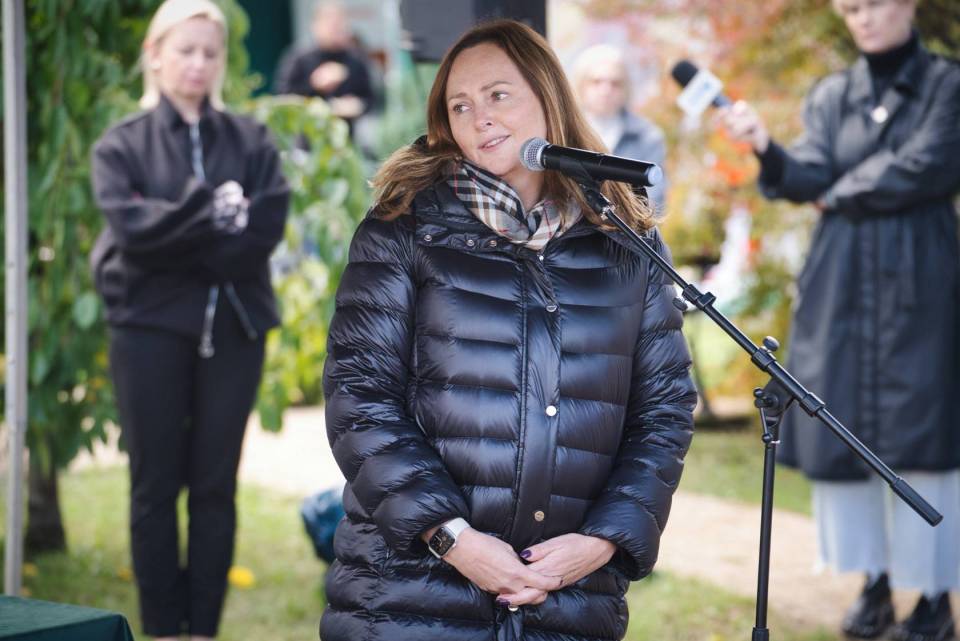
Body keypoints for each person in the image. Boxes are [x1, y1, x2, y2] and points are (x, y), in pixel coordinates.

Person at [319, 19, 696, 641]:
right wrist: (453, 539)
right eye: (460, 106)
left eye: (498, 94)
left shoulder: (627, 242)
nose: (480, 118)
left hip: (569, 602)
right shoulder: (402, 229)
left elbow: (665, 409)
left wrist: (603, 541)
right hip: (408, 594)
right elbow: (359, 398)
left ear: (549, 96)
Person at [718, 1, 960, 640]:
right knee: (842, 424)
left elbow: (928, 163)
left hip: (922, 275)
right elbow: (807, 173)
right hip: (840, 280)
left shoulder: (948, 84)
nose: (862, 18)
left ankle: (934, 594)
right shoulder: (832, 94)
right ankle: (872, 581)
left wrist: (838, 191)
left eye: (873, 3)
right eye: (850, 8)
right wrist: (766, 146)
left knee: (926, 432)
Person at [89, 1, 289, 638]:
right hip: (147, 333)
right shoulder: (121, 146)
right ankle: (161, 629)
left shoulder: (251, 141)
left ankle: (202, 629)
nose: (199, 63)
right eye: (185, 50)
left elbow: (265, 225)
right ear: (155, 55)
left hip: (234, 332)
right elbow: (131, 231)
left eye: (210, 52)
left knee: (214, 487)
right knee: (152, 486)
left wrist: (174, 230)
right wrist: (213, 213)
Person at [571, 43, 669, 213]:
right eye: (596, 81)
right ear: (581, 85)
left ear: (626, 88)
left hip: (627, 227)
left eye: (615, 83)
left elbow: (654, 202)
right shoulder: (565, 131)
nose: (606, 90)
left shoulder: (647, 137)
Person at [273, 1, 374, 130]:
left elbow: (370, 98)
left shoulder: (355, 59)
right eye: (330, 23)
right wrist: (314, 85)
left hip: (346, 134)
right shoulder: (299, 58)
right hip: (307, 134)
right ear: (315, 25)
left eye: (339, 23)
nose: (335, 29)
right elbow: (282, 98)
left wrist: (357, 105)